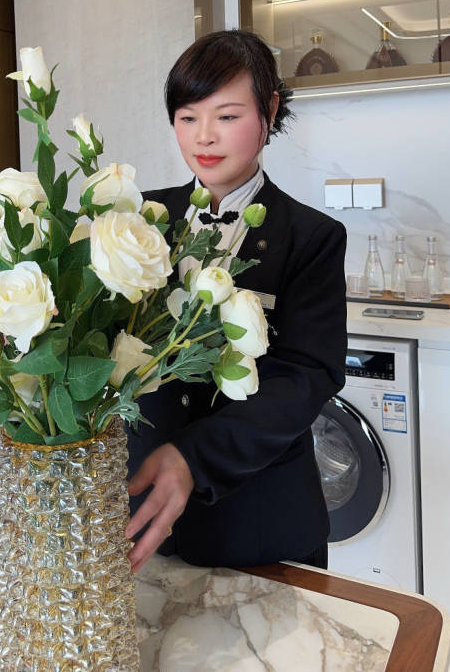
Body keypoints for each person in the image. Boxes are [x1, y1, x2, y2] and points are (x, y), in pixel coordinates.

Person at [125, 29, 347, 574]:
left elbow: (304, 377)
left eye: (226, 116)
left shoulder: (311, 237)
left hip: (261, 521)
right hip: (141, 510)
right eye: (187, 117)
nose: (204, 136)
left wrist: (192, 457)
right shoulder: (138, 219)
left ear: (268, 111)